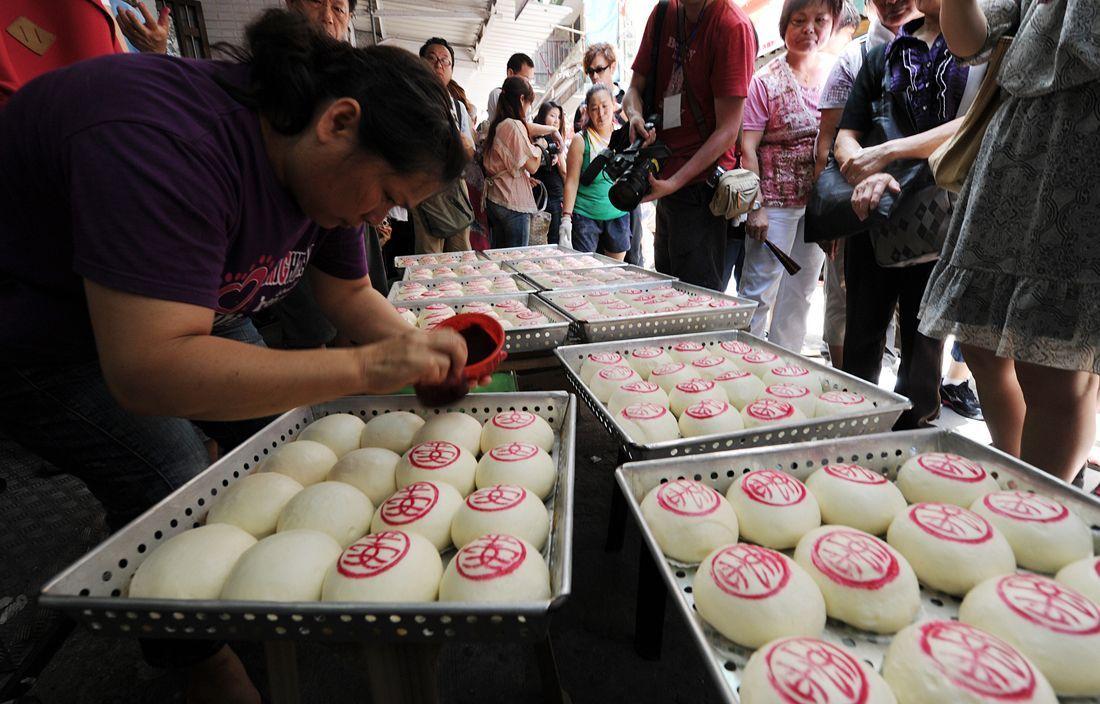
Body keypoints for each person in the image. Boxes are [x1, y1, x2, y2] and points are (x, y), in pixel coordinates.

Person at [0, 10, 470, 701]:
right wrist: (365, 370)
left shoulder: (322, 174)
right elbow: (149, 370)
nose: (380, 222)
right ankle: (191, 655)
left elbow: (347, 293)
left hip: (190, 312)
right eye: (386, 200)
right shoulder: (166, 142)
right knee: (170, 470)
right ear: (339, 122)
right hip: (40, 333)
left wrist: (413, 346)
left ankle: (287, 578)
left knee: (293, 447)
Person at [919, 0, 1099, 482]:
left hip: (1081, 156)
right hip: (1016, 157)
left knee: (1055, 363)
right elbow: (970, 41)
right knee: (980, 346)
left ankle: (1040, 506)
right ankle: (1024, 484)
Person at [834, 0, 977, 429]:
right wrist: (859, 170)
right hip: (874, 212)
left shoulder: (977, 56)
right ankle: (855, 427)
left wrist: (886, 158)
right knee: (862, 331)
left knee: (923, 346)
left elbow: (970, 126)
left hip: (942, 217)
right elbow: (846, 134)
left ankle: (910, 436)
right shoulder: (884, 55)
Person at [624, 0, 757, 291]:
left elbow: (728, 130)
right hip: (662, 174)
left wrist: (675, 182)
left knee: (696, 298)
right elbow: (634, 88)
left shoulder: (732, 26)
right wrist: (634, 116)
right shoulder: (663, 13)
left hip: (701, 188)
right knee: (666, 287)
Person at [815, 0, 920, 369]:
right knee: (852, 318)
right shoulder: (856, 57)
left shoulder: (950, 54)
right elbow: (829, 142)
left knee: (918, 335)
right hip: (861, 208)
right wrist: (835, 214)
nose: (891, 2)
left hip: (923, 216)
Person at [739, 0, 841, 354]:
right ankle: (745, 363)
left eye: (819, 20)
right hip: (775, 205)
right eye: (799, 20)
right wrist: (756, 207)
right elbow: (747, 149)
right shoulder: (764, 82)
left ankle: (786, 368)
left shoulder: (836, 74)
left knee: (801, 292)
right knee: (758, 290)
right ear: (785, 25)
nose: (809, 29)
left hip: (816, 206)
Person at [576, 42, 647, 267]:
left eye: (599, 69)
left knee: (631, 260)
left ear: (612, 66)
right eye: (590, 72)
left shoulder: (630, 101)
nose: (595, 76)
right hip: (591, 205)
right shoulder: (583, 109)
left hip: (627, 192)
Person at [415, 36, 477, 254]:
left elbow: (470, 153)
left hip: (455, 189)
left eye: (445, 61)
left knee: (461, 256)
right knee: (429, 257)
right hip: (424, 189)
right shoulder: (411, 100)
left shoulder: (458, 108)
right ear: (420, 63)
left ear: (451, 69)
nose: (439, 65)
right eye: (432, 59)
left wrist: (464, 146)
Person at [562, 84, 633, 260]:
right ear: (587, 111)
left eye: (604, 106)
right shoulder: (581, 140)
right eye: (594, 109)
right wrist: (566, 219)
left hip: (618, 215)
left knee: (614, 274)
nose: (600, 113)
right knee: (585, 274)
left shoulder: (624, 137)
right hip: (585, 217)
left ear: (614, 105)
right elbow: (571, 181)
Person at [482, 76, 542, 248]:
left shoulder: (498, 124)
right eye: (529, 104)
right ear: (522, 99)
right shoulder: (514, 126)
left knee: (500, 260)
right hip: (513, 202)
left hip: (496, 199)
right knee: (517, 261)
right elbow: (533, 166)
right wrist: (539, 147)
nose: (528, 109)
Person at [532, 101, 568, 244]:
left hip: (538, 195)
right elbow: (564, 171)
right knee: (554, 240)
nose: (556, 120)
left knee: (538, 239)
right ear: (542, 116)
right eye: (552, 115)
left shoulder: (533, 138)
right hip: (553, 195)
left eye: (559, 117)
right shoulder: (554, 140)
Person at [486, 52, 535, 123]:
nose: (528, 84)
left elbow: (528, 125)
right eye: (526, 78)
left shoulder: (525, 100)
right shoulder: (497, 94)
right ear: (510, 73)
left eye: (530, 80)